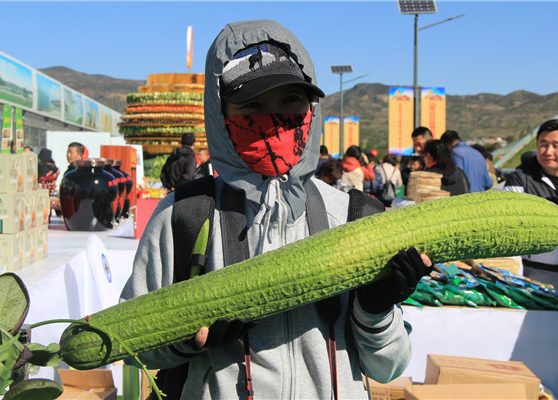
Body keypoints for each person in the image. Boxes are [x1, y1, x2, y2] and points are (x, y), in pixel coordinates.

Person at [120, 19, 432, 400]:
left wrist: (375, 312)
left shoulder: (354, 217)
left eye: (290, 101)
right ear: (220, 113)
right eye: (252, 105)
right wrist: (184, 338)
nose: (273, 122)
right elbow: (131, 346)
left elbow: (389, 368)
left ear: (312, 109)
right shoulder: (184, 215)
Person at [503, 118, 558, 291]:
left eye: (556, 145)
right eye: (543, 144)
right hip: (536, 275)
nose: (548, 151)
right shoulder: (520, 179)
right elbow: (509, 228)